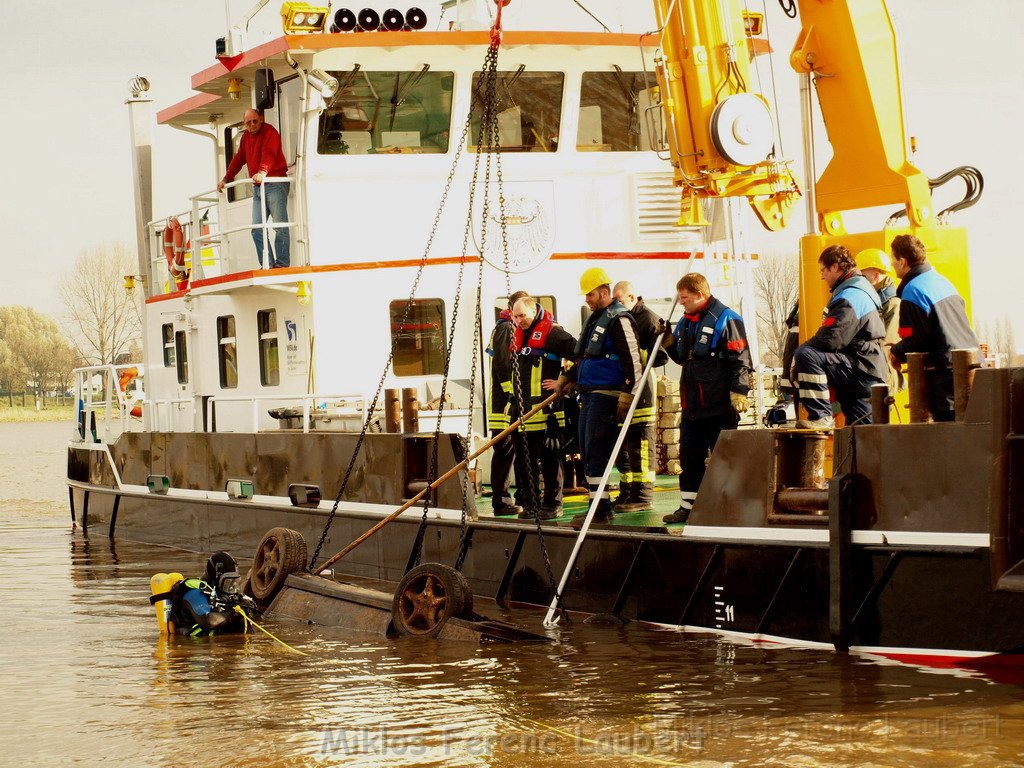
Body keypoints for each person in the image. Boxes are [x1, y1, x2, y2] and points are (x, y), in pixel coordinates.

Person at [662, 273, 752, 524]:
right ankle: (689, 506)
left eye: (685, 298)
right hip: (692, 406)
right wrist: (669, 342)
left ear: (700, 295)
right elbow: (682, 358)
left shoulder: (726, 318)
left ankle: (732, 507)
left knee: (725, 459)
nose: (681, 303)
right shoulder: (685, 322)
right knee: (689, 458)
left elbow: (741, 359)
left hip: (719, 405)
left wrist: (739, 391)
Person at [556, 267, 643, 526]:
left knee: (596, 451)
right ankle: (597, 505)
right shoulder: (596, 319)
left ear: (605, 292)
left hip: (606, 396)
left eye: (590, 294)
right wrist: (569, 376)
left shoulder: (619, 320)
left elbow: (634, 362)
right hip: (589, 395)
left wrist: (628, 396)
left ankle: (601, 510)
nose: (587, 299)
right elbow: (586, 355)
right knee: (587, 450)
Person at [792, 245, 888, 429]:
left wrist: (803, 352)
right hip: (869, 369)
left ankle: (821, 416)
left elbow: (832, 338)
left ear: (835, 266)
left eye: (823, 270)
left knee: (806, 354)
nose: (822, 276)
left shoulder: (850, 296)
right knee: (865, 435)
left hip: (861, 368)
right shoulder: (859, 290)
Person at [888, 234, 981, 422]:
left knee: (948, 440)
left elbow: (918, 340)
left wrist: (895, 352)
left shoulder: (912, 290)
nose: (892, 265)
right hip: (973, 368)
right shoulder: (942, 281)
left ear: (903, 261)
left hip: (947, 379)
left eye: (893, 260)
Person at [506, 297, 577, 519]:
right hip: (523, 412)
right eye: (515, 317)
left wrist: (564, 381)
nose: (519, 321)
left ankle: (553, 504)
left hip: (548, 413)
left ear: (534, 310)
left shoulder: (554, 333)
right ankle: (531, 504)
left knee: (550, 460)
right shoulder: (519, 335)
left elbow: (582, 354)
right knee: (524, 462)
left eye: (523, 316)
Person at [610, 281, 667, 513]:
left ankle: (643, 495)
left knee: (641, 444)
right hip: (625, 388)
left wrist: (634, 355)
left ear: (632, 297)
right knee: (625, 444)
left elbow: (661, 356)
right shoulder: (620, 319)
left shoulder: (647, 319)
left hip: (642, 389)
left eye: (619, 299)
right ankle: (627, 491)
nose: (616, 303)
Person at [217, 109, 291, 269]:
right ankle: (268, 264)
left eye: (255, 121)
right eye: (248, 122)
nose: (252, 125)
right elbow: (238, 159)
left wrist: (262, 171)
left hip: (275, 182)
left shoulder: (269, 132)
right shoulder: (245, 138)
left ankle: (283, 264)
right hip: (259, 187)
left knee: (280, 226)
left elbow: (269, 153)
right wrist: (225, 179)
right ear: (244, 124)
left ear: (261, 119)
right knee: (256, 229)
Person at [485, 290, 529, 516]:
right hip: (504, 406)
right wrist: (513, 395)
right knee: (504, 451)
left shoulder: (512, 328)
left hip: (511, 403)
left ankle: (522, 495)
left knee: (518, 450)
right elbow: (504, 364)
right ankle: (501, 501)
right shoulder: (506, 329)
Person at [154, 552, 252, 636]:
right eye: (228, 583)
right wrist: (235, 615)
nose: (232, 588)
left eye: (235, 582)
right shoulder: (194, 592)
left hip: (214, 647)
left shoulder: (219, 593)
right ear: (216, 578)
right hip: (194, 649)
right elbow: (208, 621)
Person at [856, 248, 905, 393]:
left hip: (882, 377)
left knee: (879, 415)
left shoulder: (892, 303)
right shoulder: (873, 299)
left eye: (861, 276)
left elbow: (886, 346)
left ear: (876, 276)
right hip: (872, 373)